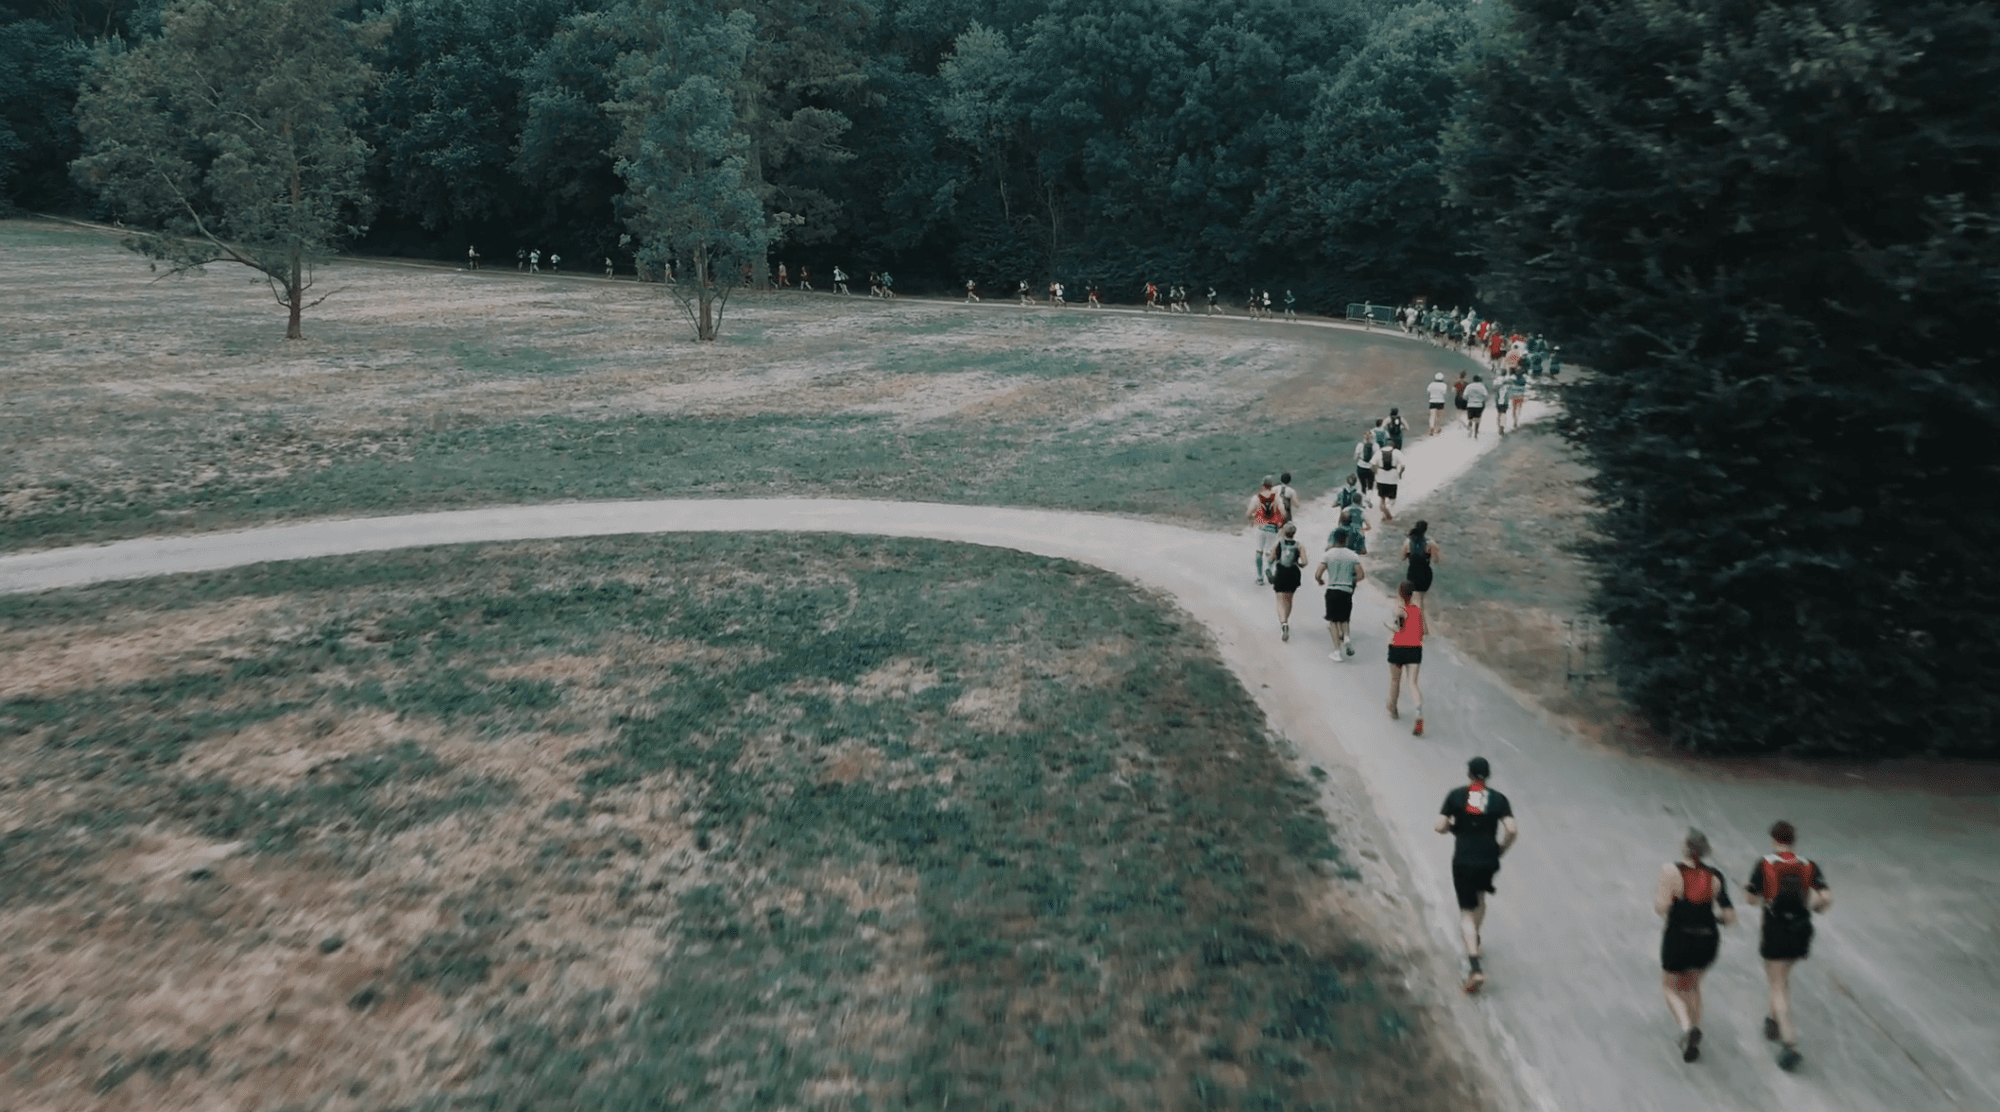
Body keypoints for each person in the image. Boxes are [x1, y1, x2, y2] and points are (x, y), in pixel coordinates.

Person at [1744, 821, 1832, 1072]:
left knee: (1778, 984)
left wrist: (1760, 896)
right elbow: (1826, 899)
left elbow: (1750, 899)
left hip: (1775, 931)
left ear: (1774, 838)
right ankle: (1772, 1020)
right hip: (1801, 932)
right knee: (1782, 979)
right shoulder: (1808, 865)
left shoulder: (1765, 863)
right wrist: (1814, 907)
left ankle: (1790, 1041)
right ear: (1793, 840)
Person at [1434, 756, 1516, 990]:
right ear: (1488, 775)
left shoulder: (1457, 795)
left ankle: (1475, 968)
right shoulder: (1499, 799)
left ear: (1468, 774)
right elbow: (1511, 829)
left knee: (1466, 912)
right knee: (1480, 898)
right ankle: (1476, 939)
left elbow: (1439, 826)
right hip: (1489, 860)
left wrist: (1453, 828)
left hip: (1464, 860)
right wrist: (1501, 849)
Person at [1656, 829, 1736, 1063]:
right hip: (1707, 940)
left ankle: (1686, 1027)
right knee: (1692, 985)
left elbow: (1660, 907)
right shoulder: (1716, 877)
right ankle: (1695, 1029)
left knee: (1670, 987)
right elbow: (1729, 917)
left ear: (1685, 848)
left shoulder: (1671, 871)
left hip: (1678, 938)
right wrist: (1713, 919)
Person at [1314, 526, 1365, 660]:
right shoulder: (1353, 555)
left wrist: (1319, 580)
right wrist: (1351, 580)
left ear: (1335, 539)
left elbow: (1318, 573)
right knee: (1344, 617)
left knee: (1333, 621)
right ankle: (1346, 638)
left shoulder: (1328, 555)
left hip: (1333, 589)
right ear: (1345, 540)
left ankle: (1337, 652)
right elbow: (1360, 575)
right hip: (1346, 590)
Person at [1386, 580, 1427, 731]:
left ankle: (1393, 709)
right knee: (1413, 684)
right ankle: (1419, 714)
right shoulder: (1417, 611)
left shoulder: (1398, 609)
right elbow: (1421, 634)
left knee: (1395, 681)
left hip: (1397, 648)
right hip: (1415, 649)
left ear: (1400, 593)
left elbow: (1397, 627)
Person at [1246, 476, 1288, 585]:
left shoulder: (1257, 498)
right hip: (1273, 528)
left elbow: (1248, 514)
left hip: (1261, 527)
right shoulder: (1277, 498)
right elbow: (1283, 514)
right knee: (1270, 552)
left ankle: (1260, 577)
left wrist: (1254, 517)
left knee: (1259, 551)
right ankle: (1268, 568)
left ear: (1262, 485)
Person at [1267, 522, 1305, 641]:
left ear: (1284, 532)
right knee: (1289, 598)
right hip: (1293, 573)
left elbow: (1271, 559)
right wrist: (1298, 563)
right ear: (1294, 533)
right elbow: (1305, 562)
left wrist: (1269, 569)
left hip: (1281, 572)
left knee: (1280, 600)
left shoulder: (1279, 544)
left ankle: (1283, 623)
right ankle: (1286, 619)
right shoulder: (1299, 546)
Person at [1402, 520, 1440, 609]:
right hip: (1424, 575)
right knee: (1421, 601)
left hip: (1412, 573)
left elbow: (1402, 558)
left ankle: (1407, 618)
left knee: (1408, 598)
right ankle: (1421, 620)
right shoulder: (1430, 543)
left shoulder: (1408, 541)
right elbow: (1436, 560)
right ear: (1425, 530)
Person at [1375, 446, 1403, 523]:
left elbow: (1372, 464)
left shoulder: (1378, 453)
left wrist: (1377, 473)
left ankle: (1384, 514)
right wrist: (1400, 474)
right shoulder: (1397, 453)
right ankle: (1387, 514)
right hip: (1392, 481)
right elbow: (1403, 465)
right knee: (1392, 500)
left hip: (1381, 480)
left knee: (1382, 499)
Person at [1353, 433, 1378, 507]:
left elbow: (1355, 458)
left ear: (1363, 437)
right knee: (1370, 485)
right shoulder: (1375, 446)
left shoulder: (1360, 445)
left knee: (1363, 485)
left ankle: (1363, 501)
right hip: (1370, 468)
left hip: (1361, 467)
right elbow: (1377, 457)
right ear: (1372, 437)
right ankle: (1368, 499)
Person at [1464, 374, 1491, 439]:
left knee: (1470, 418)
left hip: (1470, 404)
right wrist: (1483, 401)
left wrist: (1468, 400)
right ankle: (1475, 434)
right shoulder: (1482, 387)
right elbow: (1486, 396)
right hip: (1479, 405)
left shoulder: (1469, 386)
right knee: (1477, 420)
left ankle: (1470, 426)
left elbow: (1464, 396)